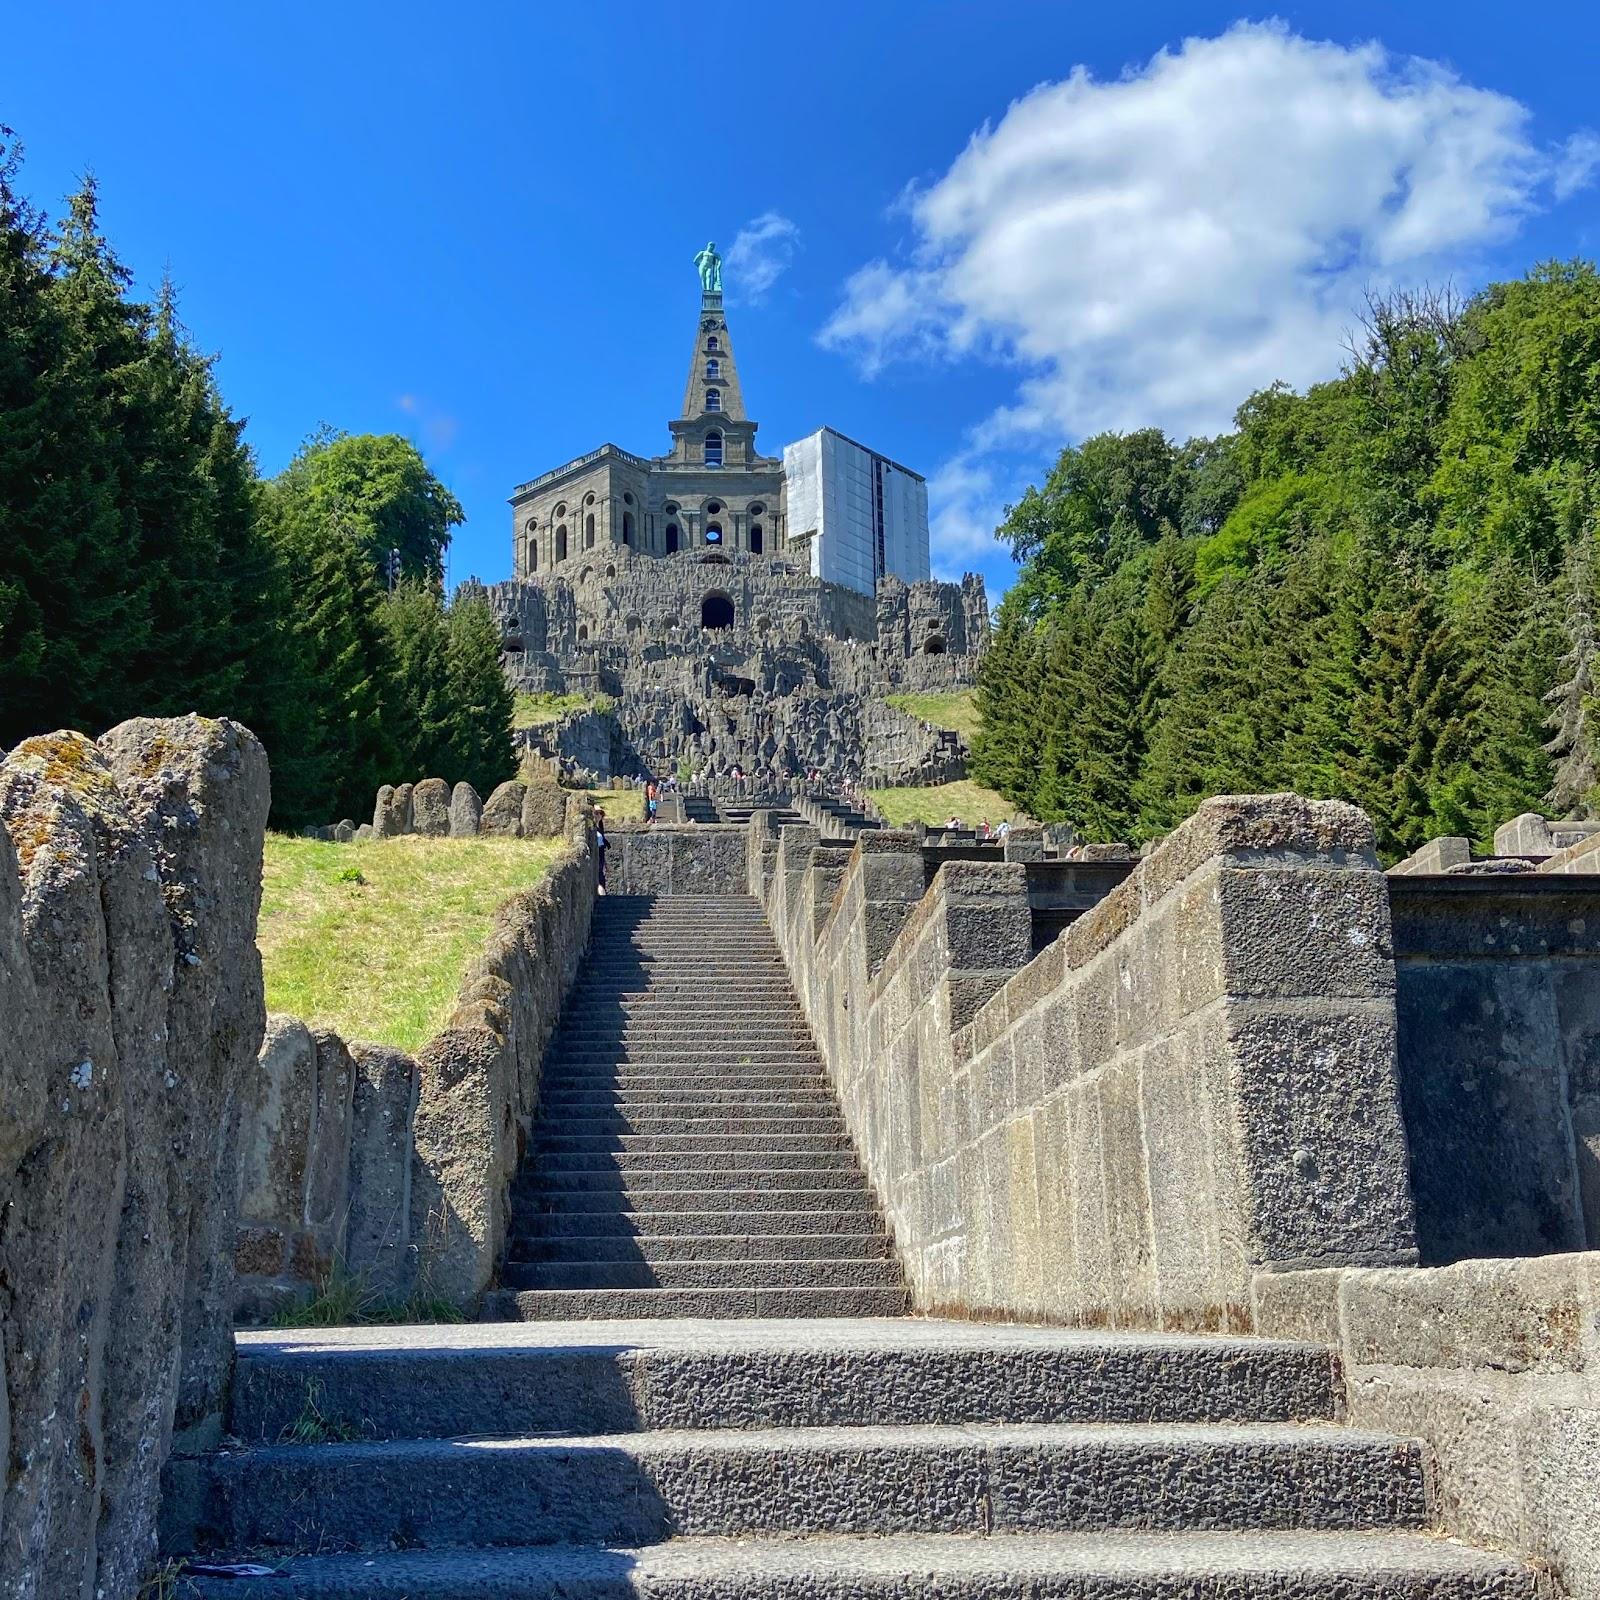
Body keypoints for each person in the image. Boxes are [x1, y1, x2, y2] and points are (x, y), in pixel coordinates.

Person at [593, 807, 608, 895]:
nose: (599, 815)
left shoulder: (600, 829)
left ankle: (602, 893)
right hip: (596, 854)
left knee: (601, 875)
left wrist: (605, 863)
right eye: (597, 813)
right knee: (599, 875)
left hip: (600, 854)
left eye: (600, 813)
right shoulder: (592, 828)